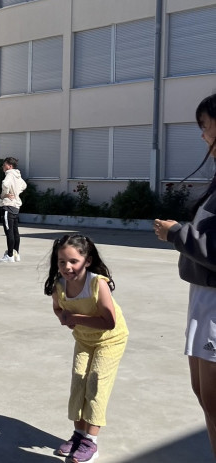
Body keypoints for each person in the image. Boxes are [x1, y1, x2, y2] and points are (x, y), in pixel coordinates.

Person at [154, 92, 216, 457]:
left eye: (206, 126)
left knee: (214, 403)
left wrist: (177, 233)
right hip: (203, 297)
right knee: (205, 397)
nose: (203, 135)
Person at [43, 234, 128, 463]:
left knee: (96, 383)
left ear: (87, 261)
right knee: (79, 381)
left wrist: (75, 318)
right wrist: (64, 318)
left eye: (73, 261)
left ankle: (91, 441)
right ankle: (79, 435)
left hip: (110, 340)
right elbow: (58, 309)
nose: (67, 267)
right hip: (84, 339)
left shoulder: (97, 284)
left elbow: (109, 322)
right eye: (62, 262)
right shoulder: (59, 286)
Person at [0, 157, 27, 263]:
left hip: (8, 206)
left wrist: (5, 194)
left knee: (9, 231)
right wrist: (17, 193)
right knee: (15, 231)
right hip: (15, 206)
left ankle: (10, 255)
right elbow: (24, 185)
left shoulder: (9, 174)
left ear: (9, 166)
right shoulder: (17, 175)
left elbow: (5, 184)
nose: (2, 166)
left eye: (4, 164)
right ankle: (16, 254)